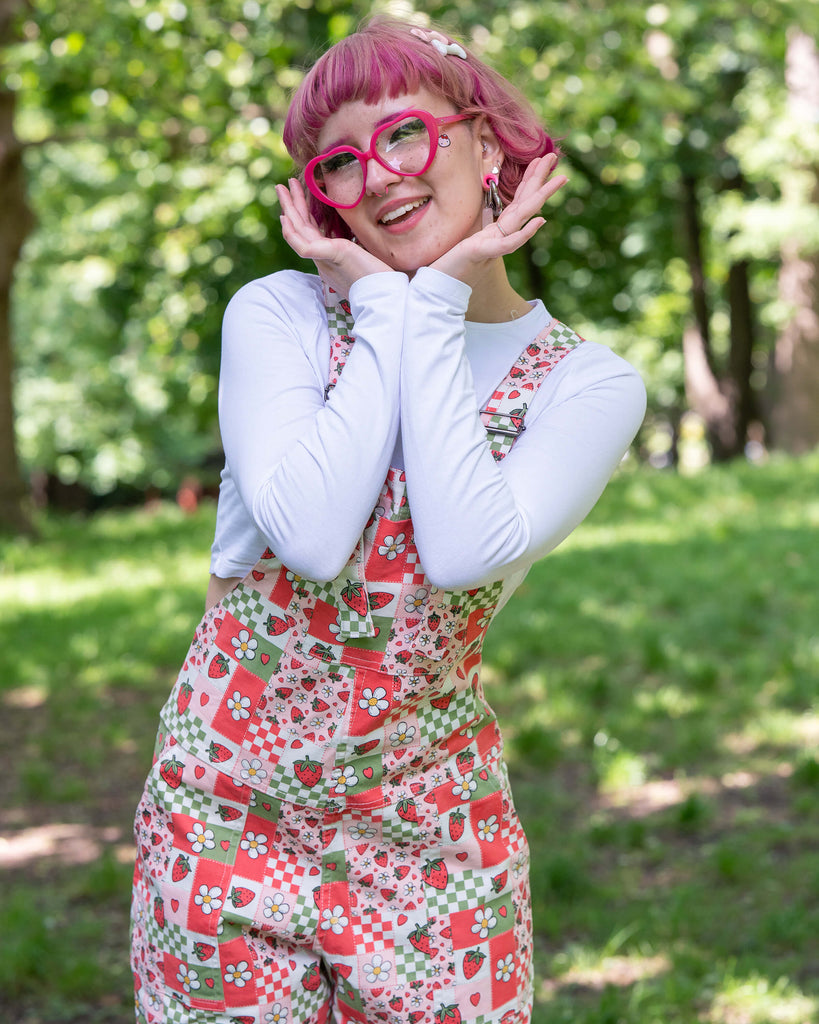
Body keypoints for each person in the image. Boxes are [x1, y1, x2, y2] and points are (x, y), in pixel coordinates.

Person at [130, 16, 646, 1024]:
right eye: (340, 163)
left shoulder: (585, 383)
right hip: (227, 822)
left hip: (432, 839)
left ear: (487, 142)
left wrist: (436, 309)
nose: (380, 176)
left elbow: (462, 550)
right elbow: (313, 535)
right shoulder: (277, 317)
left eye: (407, 134)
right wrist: (389, 311)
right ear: (318, 199)